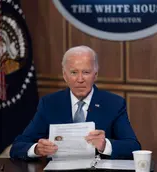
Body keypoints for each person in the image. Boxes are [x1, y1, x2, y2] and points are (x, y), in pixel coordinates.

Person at [10, 45, 141, 160]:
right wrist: (37, 149)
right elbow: (18, 146)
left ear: (95, 75)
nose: (80, 79)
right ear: (64, 75)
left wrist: (105, 145)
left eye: (86, 72)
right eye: (73, 72)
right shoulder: (49, 104)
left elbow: (133, 146)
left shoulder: (114, 104)